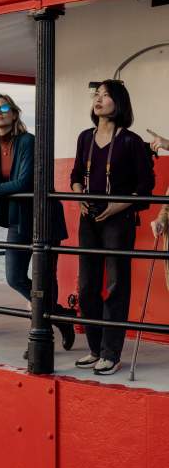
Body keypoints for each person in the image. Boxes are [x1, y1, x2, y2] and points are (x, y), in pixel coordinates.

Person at [0, 93, 74, 353]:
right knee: (14, 277)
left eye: (4, 108)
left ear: (14, 114)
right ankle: (59, 316)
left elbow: (23, 183)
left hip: (42, 218)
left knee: (45, 279)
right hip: (17, 220)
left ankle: (41, 332)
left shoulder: (28, 142)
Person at [70, 80, 155, 375]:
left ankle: (111, 353)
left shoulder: (130, 141)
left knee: (116, 285)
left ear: (119, 103)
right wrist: (79, 195)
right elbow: (76, 175)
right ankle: (95, 349)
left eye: (106, 95)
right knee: (86, 287)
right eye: (97, 94)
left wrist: (117, 206)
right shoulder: (84, 138)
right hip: (88, 220)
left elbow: (145, 187)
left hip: (118, 221)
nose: (99, 99)